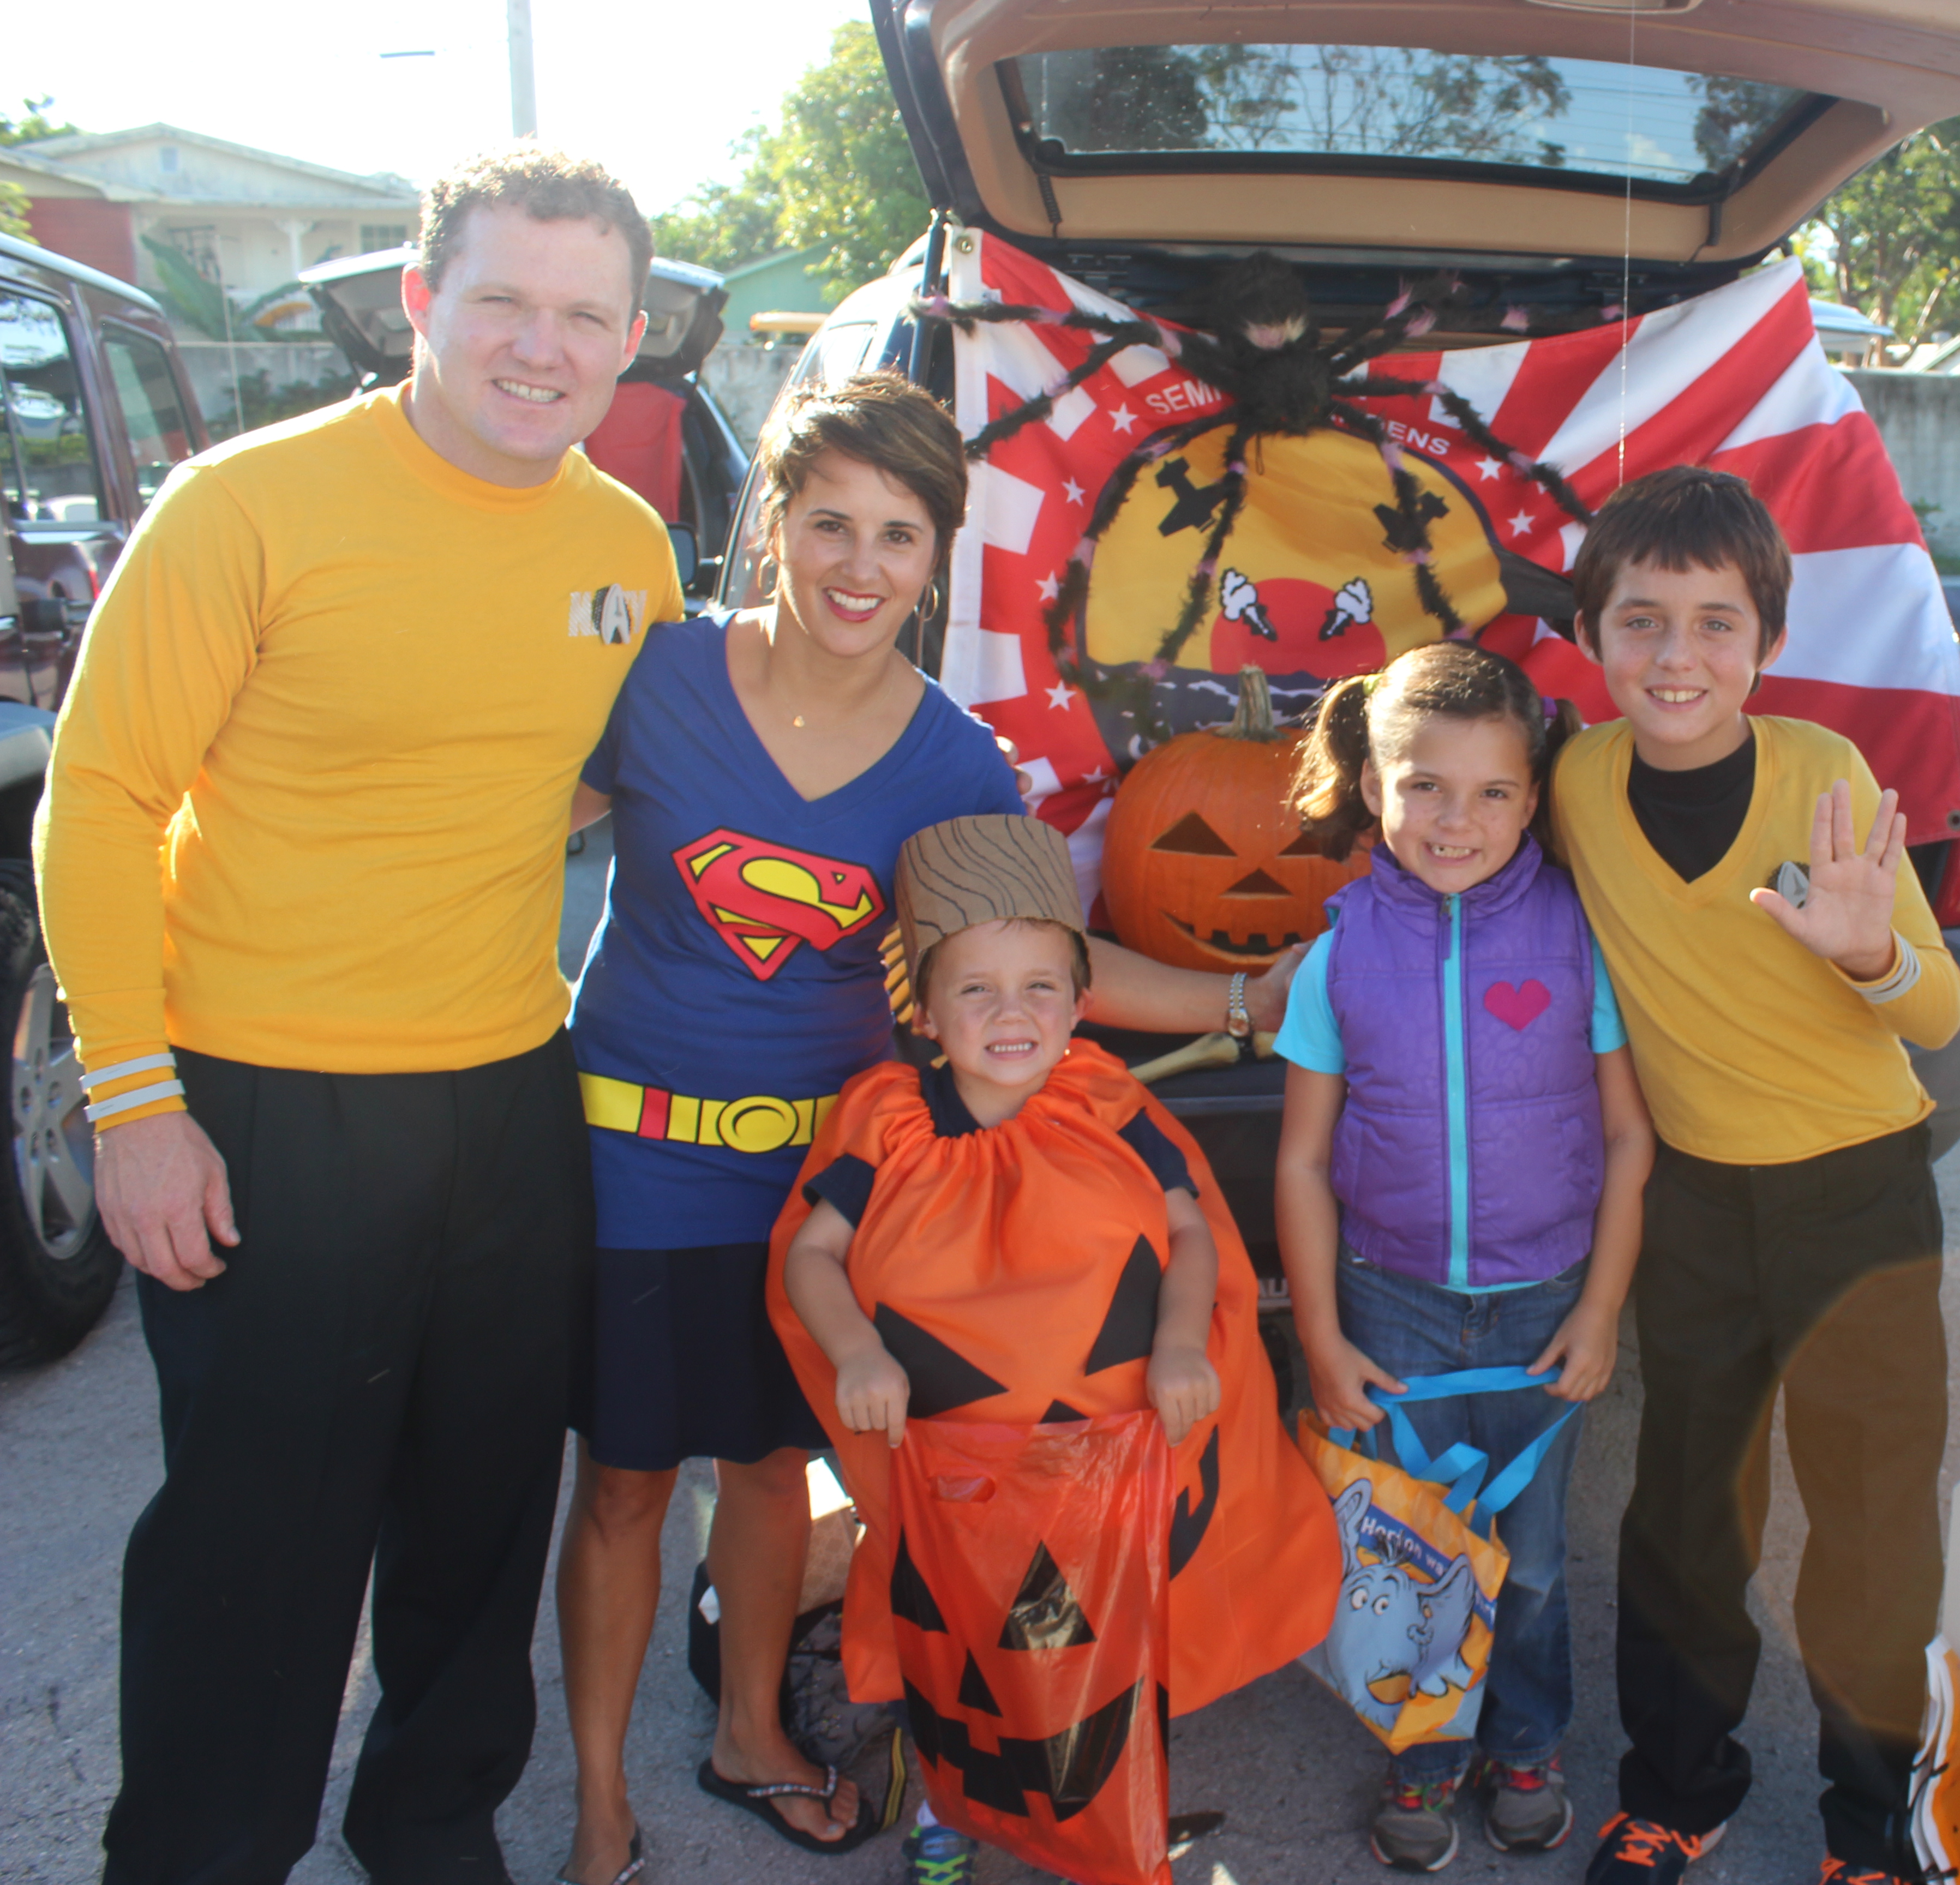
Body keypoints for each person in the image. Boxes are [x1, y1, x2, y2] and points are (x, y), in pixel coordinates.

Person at [552, 373, 1296, 1880]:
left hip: (817, 1184)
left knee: (768, 1469)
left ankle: (750, 1732)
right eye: (828, 521)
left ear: (935, 556)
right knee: (625, 1481)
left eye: (899, 533)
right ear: (772, 522)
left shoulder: (955, 762)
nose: (858, 564)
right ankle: (594, 1797)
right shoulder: (656, 678)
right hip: (630, 1156)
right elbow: (490, 828)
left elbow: (1049, 964)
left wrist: (1248, 996)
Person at [33, 148, 678, 1883]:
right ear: (419, 302)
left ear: (629, 341)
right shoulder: (246, 506)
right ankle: (195, 1851)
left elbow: (597, 785)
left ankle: (431, 1819)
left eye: (582, 316)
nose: (540, 348)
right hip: (265, 1103)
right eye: (503, 302)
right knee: (258, 1539)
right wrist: (133, 1103)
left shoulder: (627, 548)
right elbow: (95, 799)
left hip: (509, 1091)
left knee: (478, 1517)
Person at [769, 813, 1337, 1884]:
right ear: (926, 1012)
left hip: (1107, 1464)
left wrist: (1179, 1343)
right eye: (975, 989)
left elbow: (1184, 1229)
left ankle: (1122, 1805)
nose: (1011, 1013)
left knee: (1105, 1644)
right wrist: (854, 1352)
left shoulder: (1106, 1103)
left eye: (1041, 986)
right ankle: (954, 1810)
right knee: (963, 1652)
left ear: (1081, 1005)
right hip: (954, 1474)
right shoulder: (885, 1122)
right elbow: (812, 1255)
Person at [1541, 466, 1960, 1885]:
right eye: (1642, 620)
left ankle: (1869, 1827)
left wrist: (1866, 951)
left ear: (1765, 642)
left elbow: (1942, 1014)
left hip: (1860, 1195)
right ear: (1593, 635)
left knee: (1869, 1522)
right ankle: (1674, 1789)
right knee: (1684, 1515)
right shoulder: (1577, 787)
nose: (1677, 657)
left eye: (1715, 623)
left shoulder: (1825, 778)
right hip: (1700, 1208)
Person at [1273, 641, 1657, 1872]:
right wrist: (1324, 1336)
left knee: (1533, 1560)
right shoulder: (1339, 955)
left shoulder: (1575, 937)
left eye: (1494, 792)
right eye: (1424, 785)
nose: (1457, 819)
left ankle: (1528, 1740)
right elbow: (1299, 1165)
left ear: (1534, 800)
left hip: (1546, 1303)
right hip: (1393, 1312)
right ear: (1372, 785)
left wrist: (1602, 1312)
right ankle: (1427, 1757)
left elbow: (1627, 1138)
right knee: (1410, 1551)